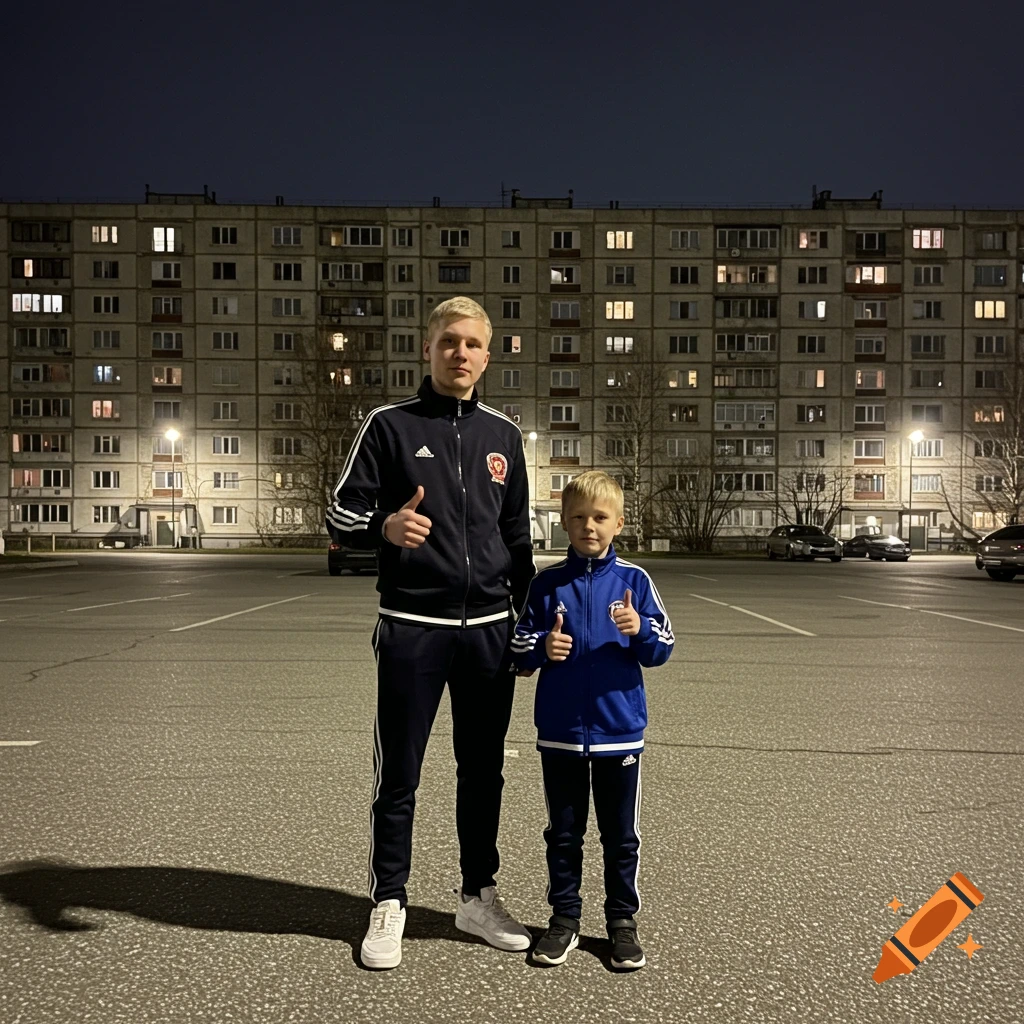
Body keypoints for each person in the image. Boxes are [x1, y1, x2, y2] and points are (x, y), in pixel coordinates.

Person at [326, 296, 535, 969]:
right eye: (449, 341)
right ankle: (389, 899)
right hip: (414, 627)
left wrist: (526, 624)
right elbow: (337, 512)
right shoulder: (388, 425)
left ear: (488, 354)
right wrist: (384, 526)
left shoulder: (504, 435)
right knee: (401, 776)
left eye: (473, 344)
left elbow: (516, 538)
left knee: (484, 772)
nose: (461, 354)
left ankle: (477, 897)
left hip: (489, 633)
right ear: (428, 348)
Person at [511, 471, 674, 969]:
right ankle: (564, 920)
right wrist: (542, 647)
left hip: (618, 731)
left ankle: (622, 923)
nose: (589, 527)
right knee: (563, 832)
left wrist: (638, 629)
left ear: (618, 523)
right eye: (578, 518)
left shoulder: (635, 582)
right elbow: (516, 651)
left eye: (600, 518)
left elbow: (662, 648)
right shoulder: (545, 585)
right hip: (560, 733)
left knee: (620, 835)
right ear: (563, 523)